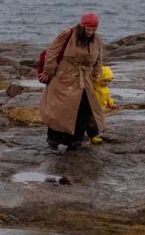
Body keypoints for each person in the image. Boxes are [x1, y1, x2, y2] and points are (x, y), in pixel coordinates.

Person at [40, 12, 105, 151]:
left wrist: (97, 73)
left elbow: (98, 58)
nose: (90, 32)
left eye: (94, 30)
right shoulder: (68, 34)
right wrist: (49, 71)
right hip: (64, 77)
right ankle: (54, 140)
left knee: (82, 109)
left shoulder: (97, 39)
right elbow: (52, 52)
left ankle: (75, 140)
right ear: (82, 26)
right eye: (88, 29)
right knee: (59, 109)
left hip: (84, 79)